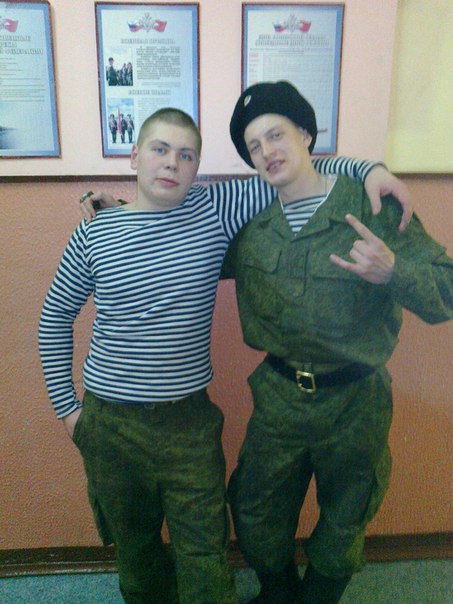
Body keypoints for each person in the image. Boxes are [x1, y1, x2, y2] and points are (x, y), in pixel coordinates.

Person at [69, 109, 409, 604]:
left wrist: (368, 168)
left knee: (206, 553)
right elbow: (53, 319)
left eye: (186, 155)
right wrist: (69, 411)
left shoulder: (215, 207)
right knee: (136, 551)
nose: (172, 163)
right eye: (160, 150)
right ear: (135, 156)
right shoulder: (97, 231)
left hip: (188, 419)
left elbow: (298, 171)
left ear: (198, 167)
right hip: (109, 420)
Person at [222, 81, 453, 604]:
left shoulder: (370, 205)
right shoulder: (249, 223)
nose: (267, 151)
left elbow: (446, 288)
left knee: (346, 516)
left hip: (355, 400)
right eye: (254, 146)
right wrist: (121, 213)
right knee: (255, 508)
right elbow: (176, 235)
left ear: (306, 134)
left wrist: (394, 272)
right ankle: (278, 593)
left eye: (276, 134)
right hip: (279, 397)